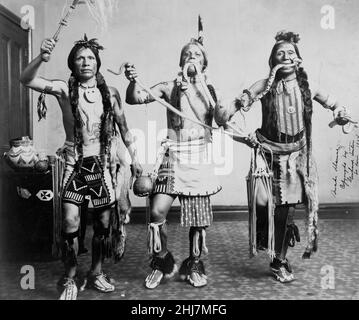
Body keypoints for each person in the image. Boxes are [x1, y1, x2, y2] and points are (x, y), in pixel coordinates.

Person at [215, 30, 351, 283]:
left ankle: (279, 259)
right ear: (272, 61)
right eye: (280, 53)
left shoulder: (308, 87)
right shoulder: (263, 85)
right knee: (266, 205)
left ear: (299, 59)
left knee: (286, 211)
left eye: (291, 53)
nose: (286, 56)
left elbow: (334, 104)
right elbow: (234, 107)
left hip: (296, 157)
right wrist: (225, 113)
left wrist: (341, 112)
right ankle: (268, 247)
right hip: (267, 155)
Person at [20, 35, 142, 299]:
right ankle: (70, 275)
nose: (86, 62)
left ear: (97, 62)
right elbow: (27, 79)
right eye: (80, 58)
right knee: (70, 221)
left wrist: (135, 159)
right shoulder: (64, 90)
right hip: (75, 163)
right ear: (72, 64)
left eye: (90, 58)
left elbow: (124, 128)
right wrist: (41, 57)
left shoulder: (110, 93)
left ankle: (96, 272)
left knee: (103, 224)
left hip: (103, 165)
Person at [124, 23, 223, 289]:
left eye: (197, 54)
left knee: (199, 220)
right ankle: (163, 260)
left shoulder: (210, 92)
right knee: (157, 211)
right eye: (187, 53)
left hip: (199, 158)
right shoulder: (168, 87)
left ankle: (193, 263)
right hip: (173, 156)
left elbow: (223, 118)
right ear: (180, 61)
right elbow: (135, 99)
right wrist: (133, 80)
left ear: (204, 64)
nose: (192, 56)